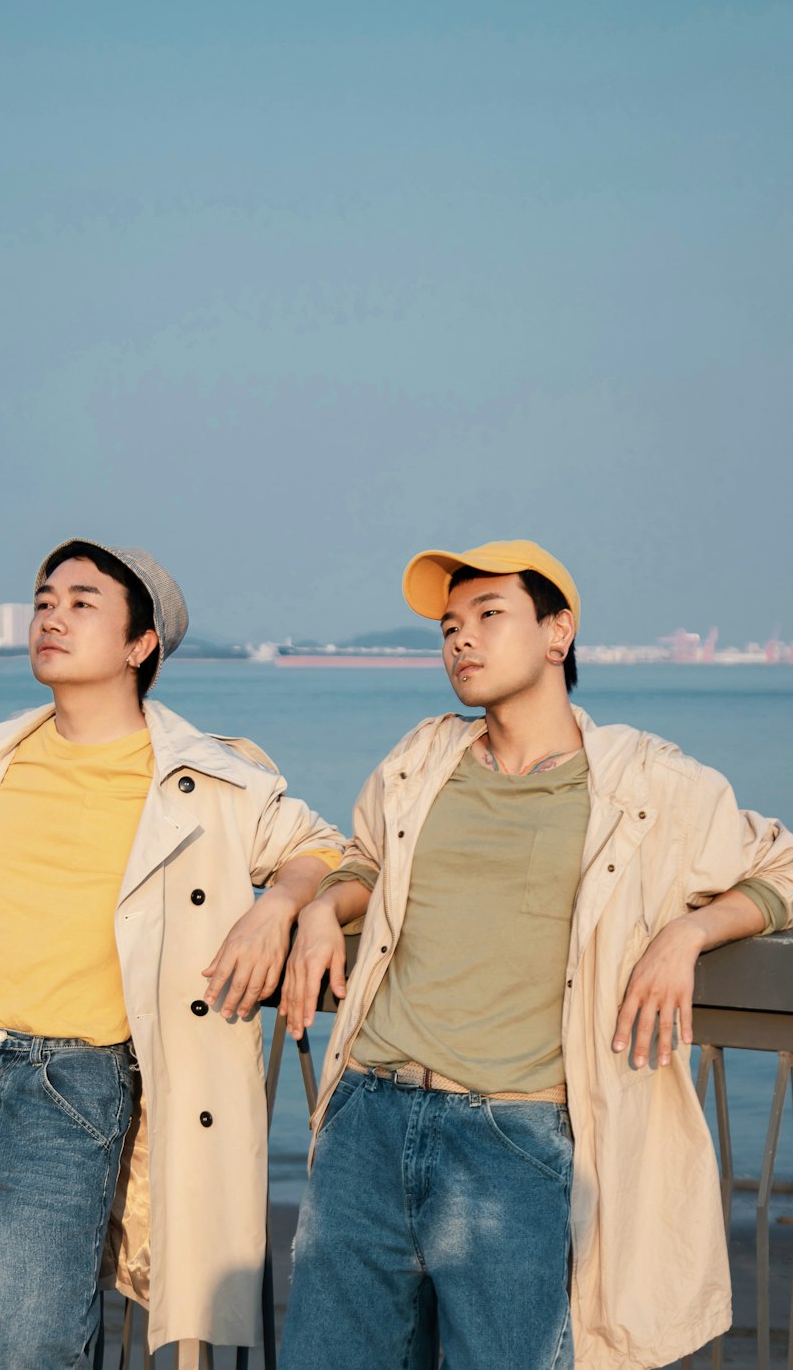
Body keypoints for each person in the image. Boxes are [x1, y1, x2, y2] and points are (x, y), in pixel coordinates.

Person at [278, 539, 793, 1370]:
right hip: (368, 1117)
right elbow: (367, 861)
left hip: (514, 1137)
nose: (461, 640)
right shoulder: (423, 759)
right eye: (449, 626)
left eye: (489, 616)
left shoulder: (647, 785)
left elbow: (782, 867)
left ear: (559, 634)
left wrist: (688, 933)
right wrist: (315, 911)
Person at [0, 538, 343, 1370]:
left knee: (35, 1344)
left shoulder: (200, 778)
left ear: (139, 644)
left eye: (83, 603)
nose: (51, 615)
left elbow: (330, 846)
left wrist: (284, 908)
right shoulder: (3, 756)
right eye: (46, 600)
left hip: (72, 1083)